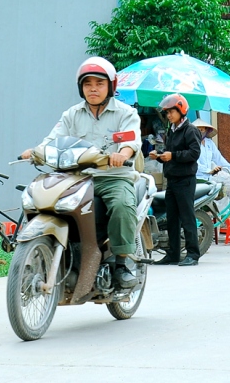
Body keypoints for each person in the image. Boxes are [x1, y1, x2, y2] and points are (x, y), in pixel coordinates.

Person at [21, 57, 141, 288]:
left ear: (110, 86)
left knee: (122, 206)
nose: (93, 88)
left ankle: (123, 262)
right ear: (81, 88)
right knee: (44, 199)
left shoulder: (126, 113)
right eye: (88, 84)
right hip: (77, 177)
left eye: (99, 83)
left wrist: (122, 154)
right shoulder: (72, 114)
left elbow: (130, 141)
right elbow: (52, 139)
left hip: (113, 177)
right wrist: (35, 152)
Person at [151, 94, 203, 266]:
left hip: (185, 180)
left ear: (181, 110)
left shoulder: (190, 130)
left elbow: (194, 154)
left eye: (171, 112)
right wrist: (159, 156)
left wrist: (172, 155)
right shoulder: (171, 130)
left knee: (187, 217)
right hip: (172, 180)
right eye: (167, 113)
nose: (169, 116)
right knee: (172, 218)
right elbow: (170, 155)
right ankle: (173, 254)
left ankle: (193, 255)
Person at [194, 118, 230, 194]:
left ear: (206, 131)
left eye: (202, 130)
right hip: (197, 179)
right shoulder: (191, 144)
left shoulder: (210, 143)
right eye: (197, 130)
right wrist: (209, 171)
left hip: (209, 178)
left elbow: (219, 159)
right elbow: (194, 163)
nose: (199, 132)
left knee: (227, 185)